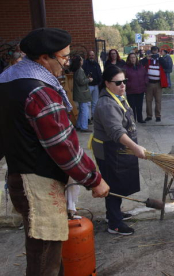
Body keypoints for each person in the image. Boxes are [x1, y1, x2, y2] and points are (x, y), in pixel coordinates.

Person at [0, 27, 109, 275]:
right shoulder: (39, 92)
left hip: (20, 175)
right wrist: (94, 179)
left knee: (46, 252)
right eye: (63, 57)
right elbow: (63, 146)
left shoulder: (7, 80)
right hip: (36, 183)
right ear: (43, 58)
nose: (67, 64)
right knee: (43, 259)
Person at [92, 65, 146, 235]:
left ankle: (112, 214)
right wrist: (135, 147)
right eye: (118, 83)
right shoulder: (107, 104)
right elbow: (116, 132)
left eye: (124, 81)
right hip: (110, 150)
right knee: (113, 184)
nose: (123, 85)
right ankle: (115, 224)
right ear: (107, 83)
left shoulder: (118, 96)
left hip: (120, 149)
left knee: (120, 183)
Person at [141, 46, 168, 122]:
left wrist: (160, 58)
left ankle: (158, 116)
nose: (155, 54)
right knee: (148, 100)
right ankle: (149, 116)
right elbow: (140, 64)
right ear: (151, 52)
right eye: (153, 52)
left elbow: (167, 66)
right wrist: (147, 58)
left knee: (158, 100)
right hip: (149, 83)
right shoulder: (148, 60)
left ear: (158, 52)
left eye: (156, 52)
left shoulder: (160, 60)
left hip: (158, 83)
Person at [70, 55, 93, 133]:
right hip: (82, 93)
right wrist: (89, 80)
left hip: (80, 93)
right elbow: (81, 82)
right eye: (82, 60)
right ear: (80, 62)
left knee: (81, 110)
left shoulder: (77, 70)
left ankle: (79, 125)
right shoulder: (80, 70)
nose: (83, 61)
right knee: (84, 110)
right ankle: (84, 127)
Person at [124, 53, 148, 124]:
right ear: (128, 59)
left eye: (134, 57)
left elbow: (145, 75)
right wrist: (128, 85)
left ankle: (140, 119)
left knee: (139, 106)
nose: (133, 59)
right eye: (131, 57)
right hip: (131, 90)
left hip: (140, 89)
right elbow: (123, 78)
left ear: (136, 58)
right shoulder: (125, 67)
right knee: (132, 107)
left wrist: (145, 82)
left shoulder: (140, 66)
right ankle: (132, 120)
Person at [82, 50, 102, 123]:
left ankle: (94, 117)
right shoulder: (85, 64)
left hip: (96, 85)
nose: (91, 56)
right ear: (88, 56)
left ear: (94, 56)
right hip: (88, 86)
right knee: (88, 103)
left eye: (92, 55)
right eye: (90, 55)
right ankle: (88, 118)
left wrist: (100, 82)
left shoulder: (96, 64)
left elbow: (99, 73)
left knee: (95, 103)